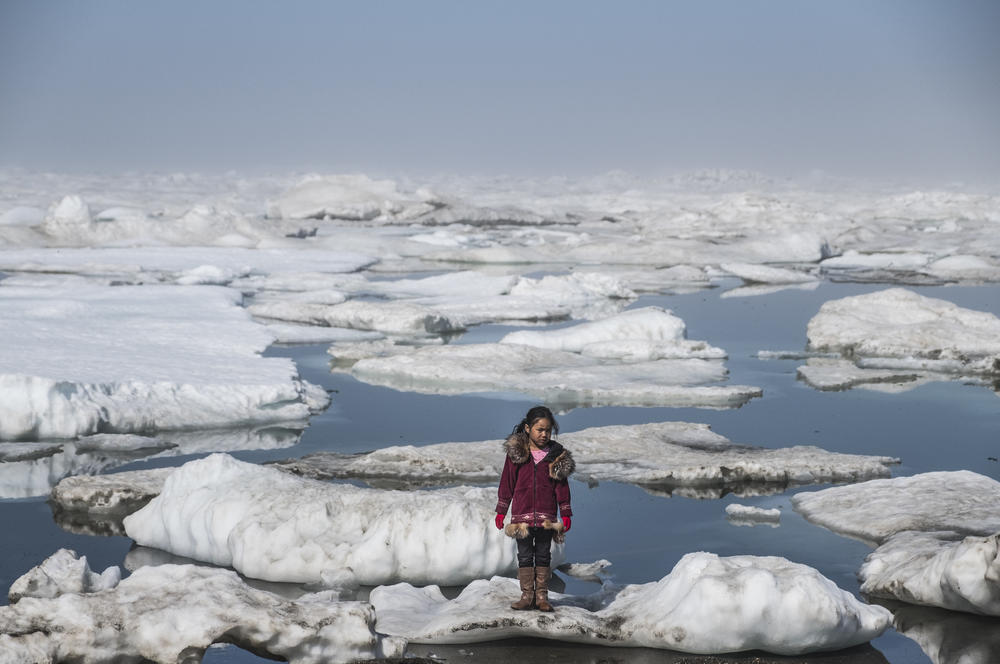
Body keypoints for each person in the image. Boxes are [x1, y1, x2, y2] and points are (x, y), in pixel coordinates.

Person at [494, 405, 575, 612]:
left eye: (548, 430)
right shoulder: (517, 453)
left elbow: (562, 486)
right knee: (524, 555)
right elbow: (507, 482)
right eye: (540, 429)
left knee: (543, 554)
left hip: (547, 515)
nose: (544, 434)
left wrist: (565, 512)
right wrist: (502, 510)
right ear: (528, 428)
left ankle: (541, 596)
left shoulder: (556, 455)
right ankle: (526, 595)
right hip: (522, 514)